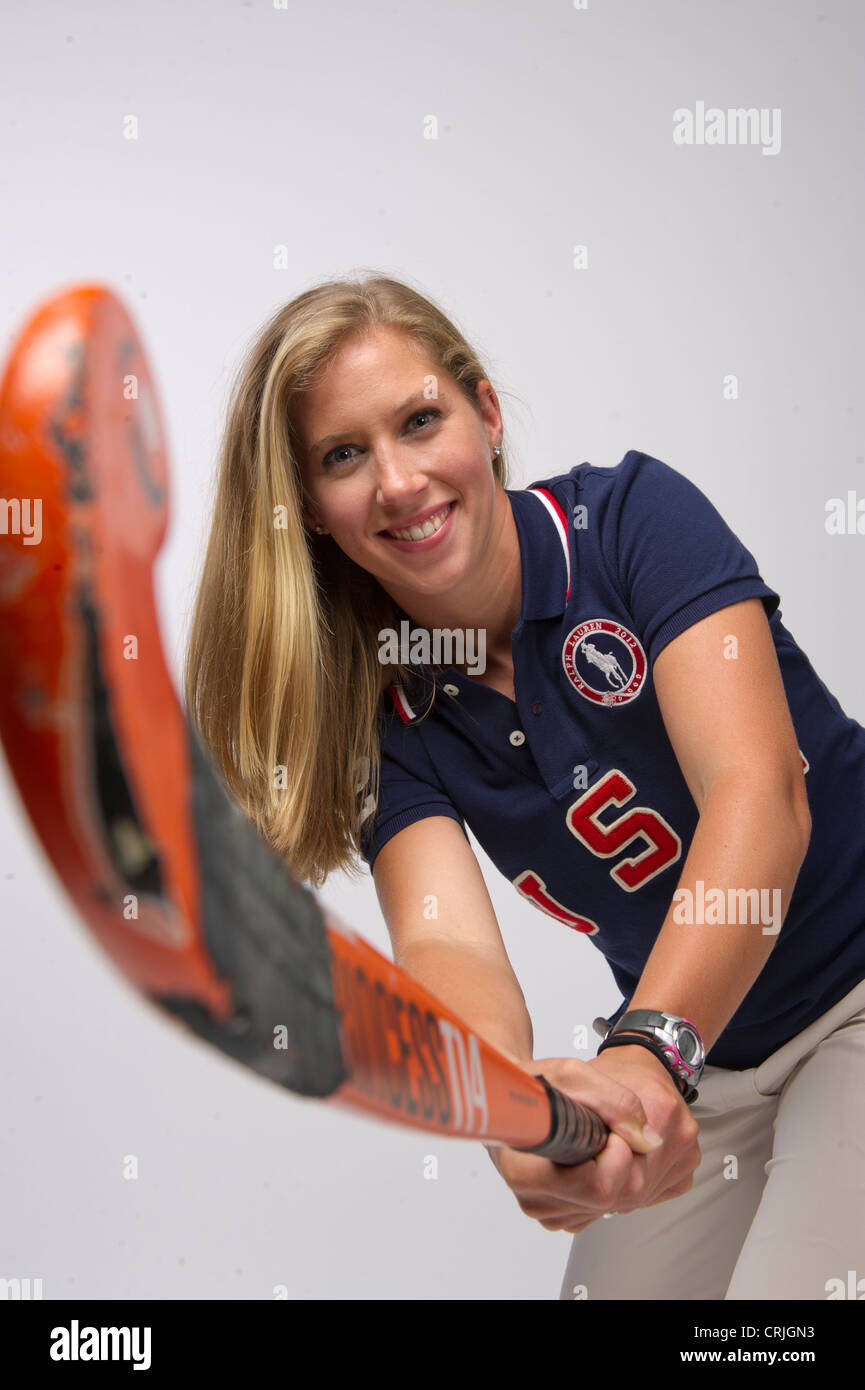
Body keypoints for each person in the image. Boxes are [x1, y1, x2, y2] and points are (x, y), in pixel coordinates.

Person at [183, 272, 865, 1301]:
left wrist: (646, 1049)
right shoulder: (384, 715)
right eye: (342, 455)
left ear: (486, 413)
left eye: (420, 421)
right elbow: (448, 944)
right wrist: (511, 1104)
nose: (400, 481)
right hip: (705, 1055)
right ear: (310, 510)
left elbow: (758, 794)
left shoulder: (633, 519)